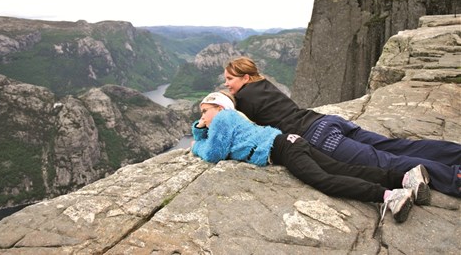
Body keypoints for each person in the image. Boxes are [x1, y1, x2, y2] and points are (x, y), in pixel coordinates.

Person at [223, 56, 461, 198]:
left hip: (317, 137)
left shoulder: (243, 99)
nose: (227, 84)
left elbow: (227, 121)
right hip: (327, 121)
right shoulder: (265, 84)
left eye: (230, 79)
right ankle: (455, 154)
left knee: (385, 161)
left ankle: (454, 178)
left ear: (245, 78)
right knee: (397, 146)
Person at [191, 91, 431, 224]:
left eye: (204, 111)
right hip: (292, 140)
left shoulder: (223, 118)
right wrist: (201, 127)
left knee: (324, 180)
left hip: (283, 149)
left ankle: (388, 196)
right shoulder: (231, 120)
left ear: (220, 108)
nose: (202, 117)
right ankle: (404, 179)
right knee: (342, 168)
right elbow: (216, 145)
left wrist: (196, 140)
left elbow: (212, 153)